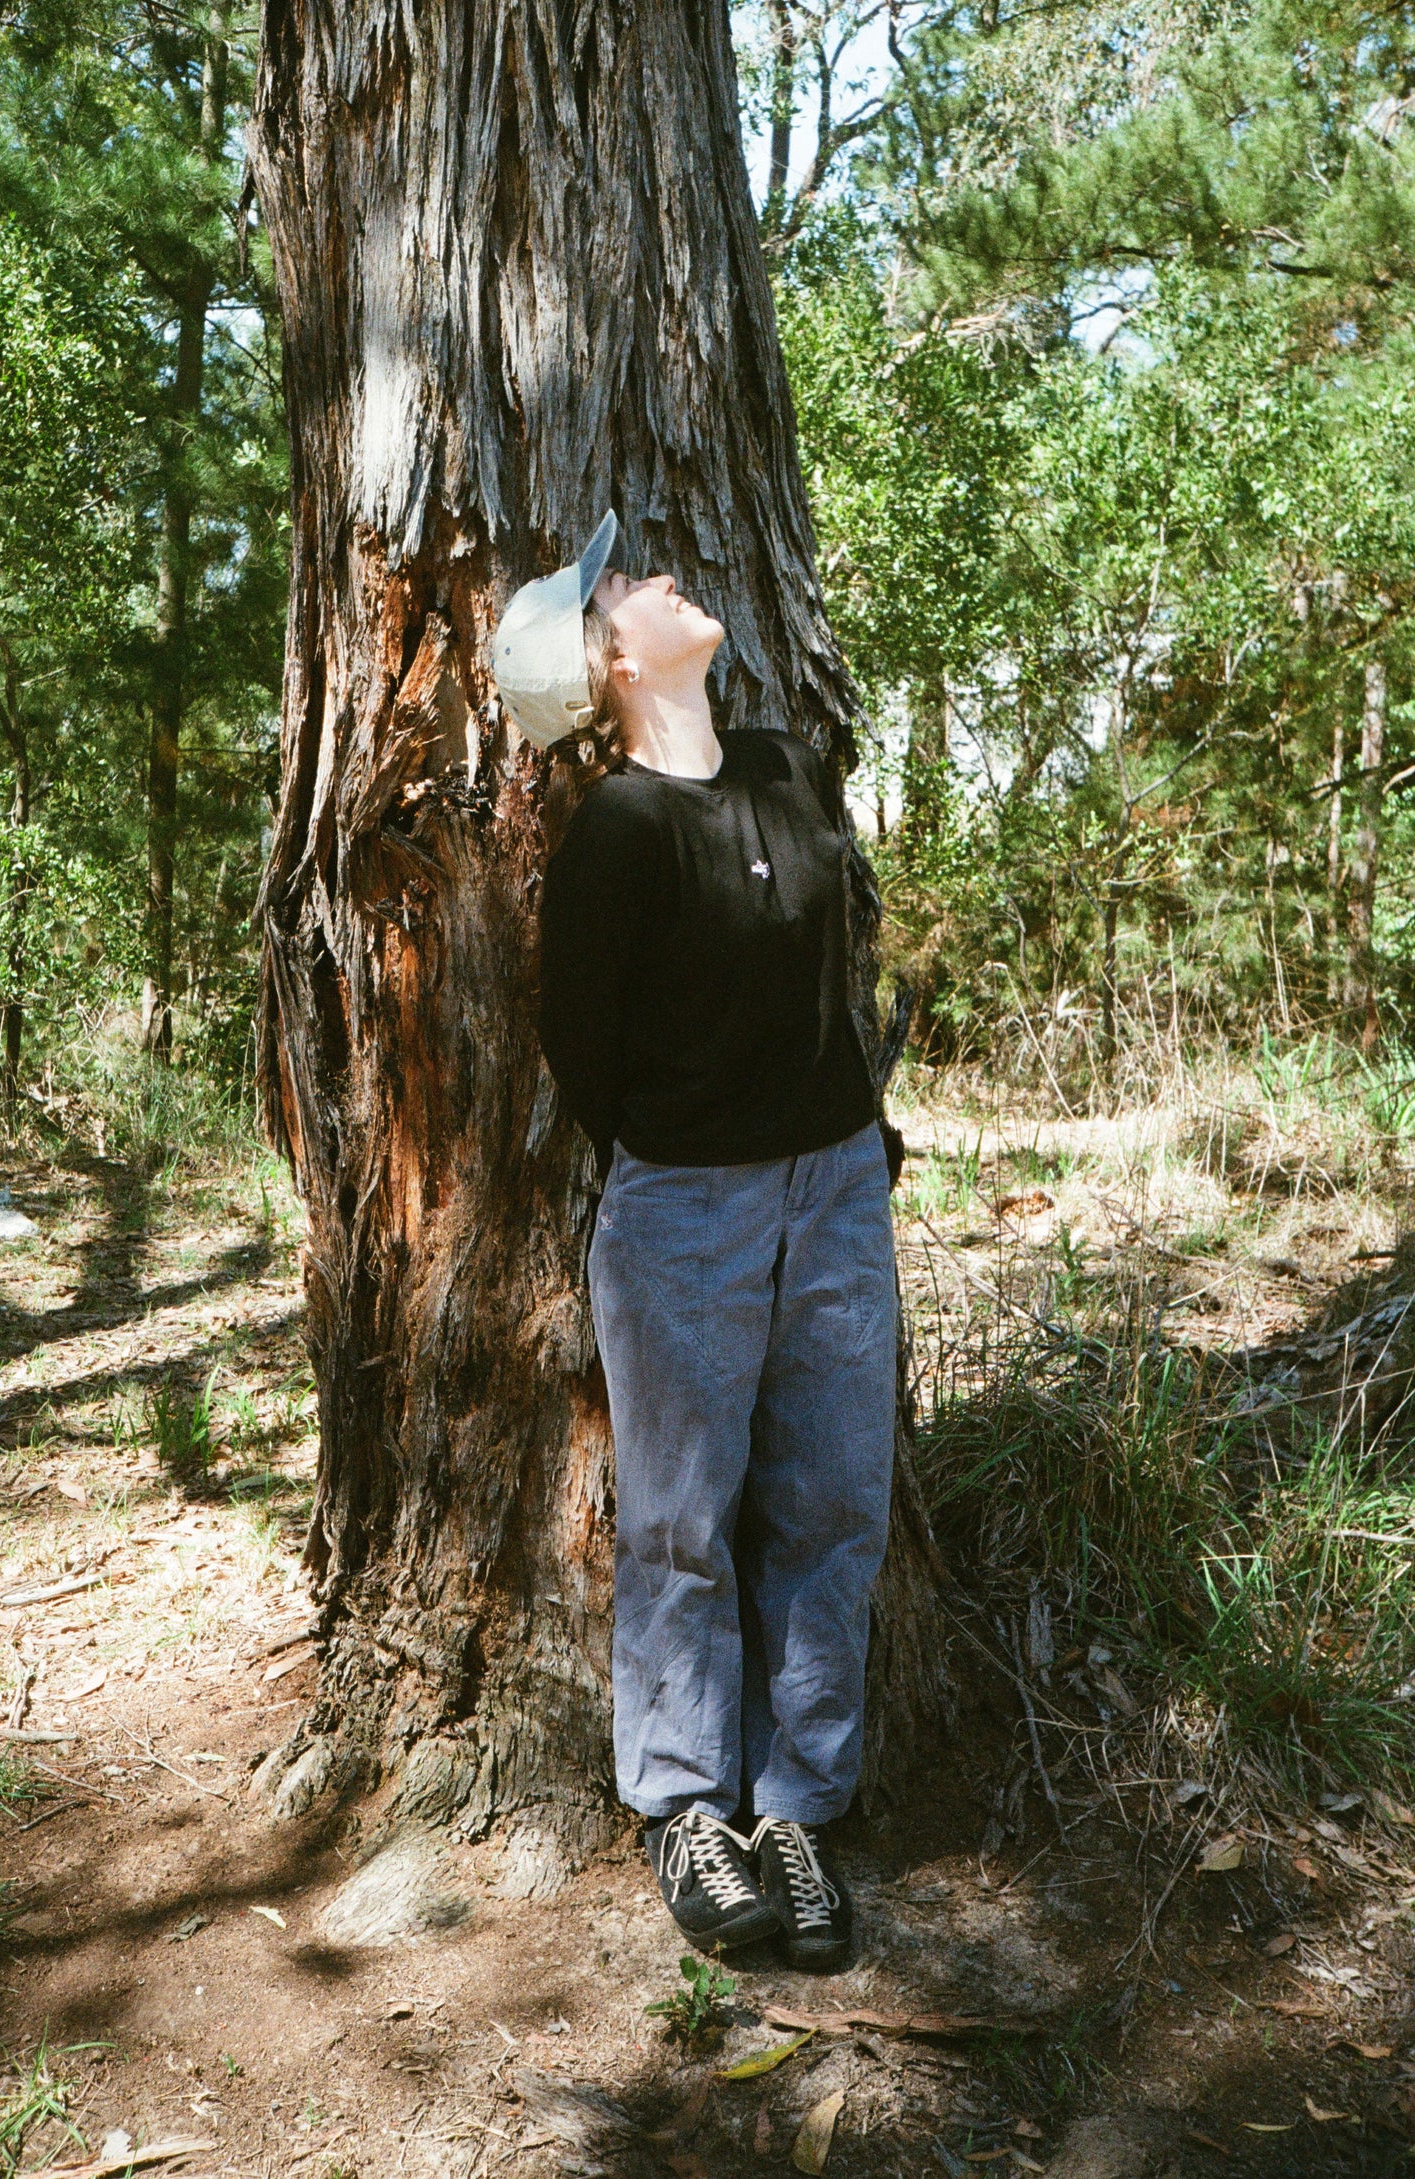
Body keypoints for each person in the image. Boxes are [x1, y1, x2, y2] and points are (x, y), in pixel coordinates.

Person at [492, 514, 898, 1972]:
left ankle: (795, 1808)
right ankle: (684, 1812)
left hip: (838, 1189)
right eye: (628, 591)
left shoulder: (787, 765)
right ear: (607, 661)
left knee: (834, 1503)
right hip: (686, 1212)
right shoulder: (617, 827)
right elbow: (579, 1050)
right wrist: (698, 1161)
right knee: (678, 1525)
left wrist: (838, 1147)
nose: (660, 582)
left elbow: (834, 975)